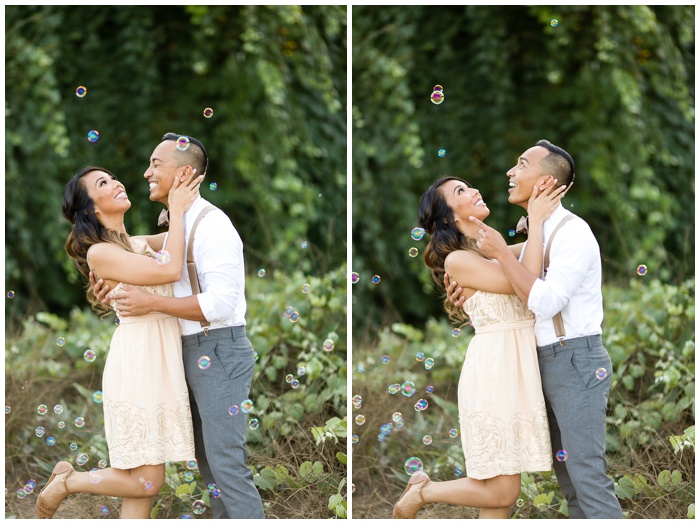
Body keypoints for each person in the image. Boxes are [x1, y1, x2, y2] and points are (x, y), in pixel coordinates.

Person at [91, 133, 265, 519]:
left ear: (184, 173)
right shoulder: (179, 224)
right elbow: (138, 248)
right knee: (210, 472)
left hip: (217, 347)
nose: (146, 172)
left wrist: (151, 301)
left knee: (226, 466)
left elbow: (220, 304)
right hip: (181, 351)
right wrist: (104, 267)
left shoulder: (213, 225)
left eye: (157, 164)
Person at [446, 139, 623, 519]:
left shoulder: (573, 234)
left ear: (544, 182)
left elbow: (542, 301)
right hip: (539, 362)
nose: (510, 172)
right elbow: (503, 268)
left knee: (588, 479)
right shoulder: (536, 237)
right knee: (571, 485)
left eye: (521, 164)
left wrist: (498, 253)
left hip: (575, 357)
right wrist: (470, 285)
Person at [393, 175, 566, 519]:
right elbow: (526, 283)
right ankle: (423, 492)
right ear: (450, 218)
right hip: (495, 372)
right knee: (503, 490)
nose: (474, 190)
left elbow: (540, 254)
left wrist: (536, 226)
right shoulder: (458, 260)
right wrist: (530, 226)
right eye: (461, 191)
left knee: (498, 498)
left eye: (470, 184)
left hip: (516, 368)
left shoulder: (486, 252)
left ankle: (424, 492)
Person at [37, 166, 202, 519]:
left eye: (112, 177)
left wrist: (181, 194)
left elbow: (189, 240)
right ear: (91, 210)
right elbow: (171, 269)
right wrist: (174, 207)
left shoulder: (137, 244)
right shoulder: (99, 253)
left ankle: (70, 481)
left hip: (162, 362)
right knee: (147, 481)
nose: (115, 183)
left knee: (141, 479)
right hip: (138, 364)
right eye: (103, 183)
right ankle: (68, 481)